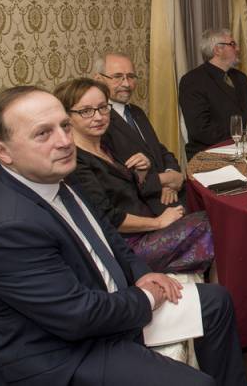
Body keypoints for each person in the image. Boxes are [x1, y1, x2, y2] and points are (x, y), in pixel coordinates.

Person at [0, 86, 247, 386]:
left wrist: (141, 273)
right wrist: (146, 297)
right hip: (65, 351)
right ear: (3, 151)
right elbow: (78, 316)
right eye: (43, 133)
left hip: (106, 308)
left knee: (216, 302)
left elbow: (106, 233)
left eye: (65, 126)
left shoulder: (55, 173)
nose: (65, 141)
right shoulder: (5, 227)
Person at [56, 78, 214, 274]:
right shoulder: (75, 161)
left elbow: (124, 189)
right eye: (86, 111)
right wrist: (159, 222)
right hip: (128, 247)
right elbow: (108, 217)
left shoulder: (105, 144)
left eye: (103, 108)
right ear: (67, 116)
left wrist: (141, 172)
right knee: (211, 224)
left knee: (214, 218)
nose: (98, 117)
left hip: (147, 227)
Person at [97, 53, 186, 214]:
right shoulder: (99, 122)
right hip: (142, 207)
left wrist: (171, 173)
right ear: (99, 79)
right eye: (117, 77)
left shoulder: (136, 112)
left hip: (169, 194)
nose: (126, 83)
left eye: (131, 77)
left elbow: (159, 150)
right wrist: (166, 180)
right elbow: (117, 179)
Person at [179, 28, 247, 159]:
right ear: (218, 50)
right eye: (232, 44)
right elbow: (201, 130)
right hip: (212, 154)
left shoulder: (240, 77)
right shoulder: (193, 81)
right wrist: (242, 139)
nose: (238, 49)